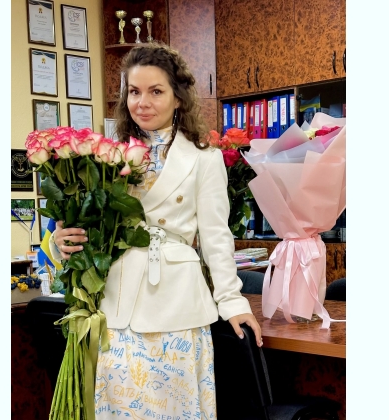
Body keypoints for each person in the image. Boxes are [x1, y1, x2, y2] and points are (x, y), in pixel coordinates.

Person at [50, 42, 262, 419]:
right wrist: (59, 241)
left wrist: (232, 302)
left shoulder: (205, 158)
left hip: (177, 304)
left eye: (156, 91)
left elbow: (215, 238)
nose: (142, 102)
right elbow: (86, 228)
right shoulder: (102, 157)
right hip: (116, 304)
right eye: (134, 91)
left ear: (178, 98)